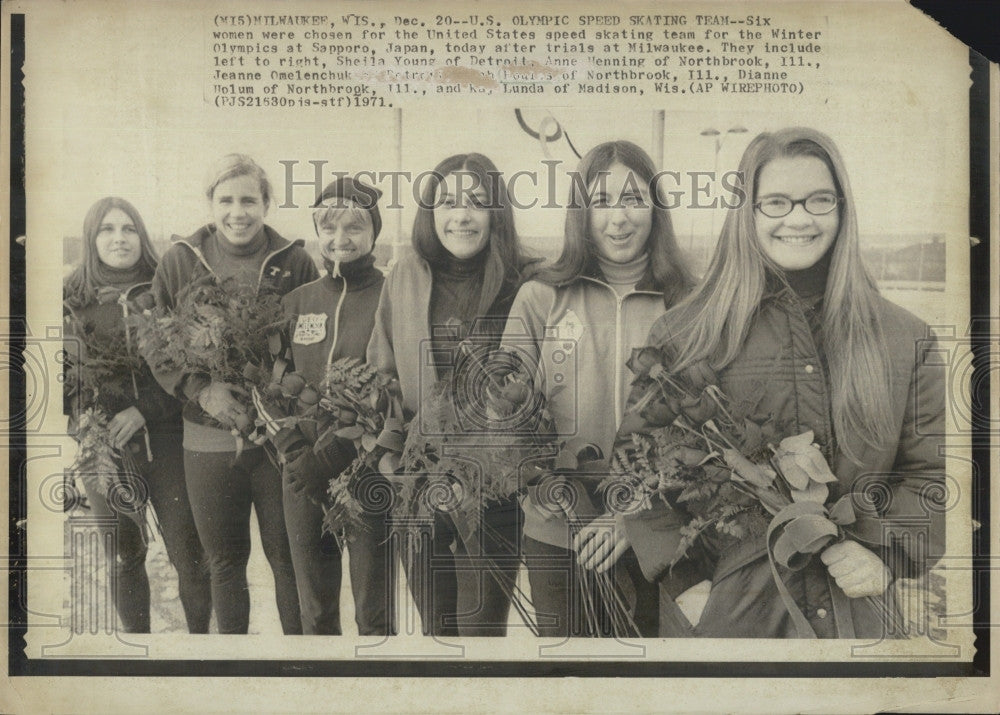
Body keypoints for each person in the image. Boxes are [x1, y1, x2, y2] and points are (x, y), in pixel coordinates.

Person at [617, 127, 946, 638]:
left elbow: (927, 478)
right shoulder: (685, 334)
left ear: (842, 208)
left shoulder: (905, 338)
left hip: (855, 618)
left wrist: (883, 555)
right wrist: (689, 584)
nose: (799, 218)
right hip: (728, 620)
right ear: (747, 213)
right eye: (776, 202)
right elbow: (636, 469)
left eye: (818, 199)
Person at [499, 141, 694, 637]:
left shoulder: (689, 302)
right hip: (558, 533)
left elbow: (703, 428)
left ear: (656, 209)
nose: (619, 218)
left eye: (633, 199)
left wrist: (634, 516)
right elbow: (500, 413)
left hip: (658, 531)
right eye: (602, 201)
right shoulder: (540, 295)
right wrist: (533, 479)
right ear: (581, 213)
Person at [367, 152, 536, 636]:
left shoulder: (526, 281)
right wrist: (389, 456)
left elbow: (543, 385)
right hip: (418, 484)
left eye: (477, 203)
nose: (461, 215)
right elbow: (382, 370)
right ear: (430, 212)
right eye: (447, 202)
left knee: (481, 636)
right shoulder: (405, 274)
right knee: (437, 634)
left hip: (495, 494)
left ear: (496, 214)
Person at [149, 154, 319, 634]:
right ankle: (233, 668)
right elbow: (157, 344)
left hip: (277, 441)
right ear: (211, 204)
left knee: (286, 557)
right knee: (224, 562)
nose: (237, 211)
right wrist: (202, 391)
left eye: (249, 199)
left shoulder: (295, 261)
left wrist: (281, 389)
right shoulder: (181, 260)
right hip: (207, 441)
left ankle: (300, 666)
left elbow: (310, 341)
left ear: (266, 203)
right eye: (226, 200)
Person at [63, 196, 211, 633]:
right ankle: (141, 653)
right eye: (107, 230)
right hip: (103, 451)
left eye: (128, 229)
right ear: (91, 239)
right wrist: (87, 425)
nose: (119, 238)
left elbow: (191, 369)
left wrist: (145, 408)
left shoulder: (162, 288)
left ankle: (203, 649)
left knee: (190, 553)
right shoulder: (70, 299)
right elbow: (60, 385)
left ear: (141, 235)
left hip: (167, 441)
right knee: (126, 554)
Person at [258, 176, 394, 635]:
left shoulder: (390, 298)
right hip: (302, 475)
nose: (341, 239)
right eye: (329, 227)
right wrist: (294, 450)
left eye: (354, 227)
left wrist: (345, 452)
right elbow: (269, 384)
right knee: (314, 608)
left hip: (367, 471)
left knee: (374, 609)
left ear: (374, 232)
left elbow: (395, 389)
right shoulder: (297, 302)